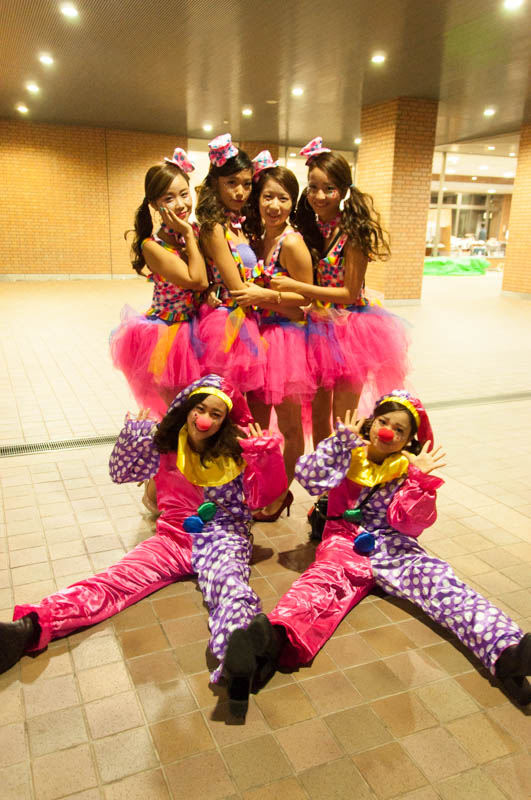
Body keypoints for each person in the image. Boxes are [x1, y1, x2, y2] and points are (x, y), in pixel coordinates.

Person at [0, 375, 287, 719]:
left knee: (231, 589)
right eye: (200, 409)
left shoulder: (235, 452)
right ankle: (32, 626)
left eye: (216, 414)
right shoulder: (167, 444)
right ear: (188, 408)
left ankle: (239, 660)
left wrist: (266, 458)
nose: (204, 420)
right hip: (173, 539)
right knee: (115, 579)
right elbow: (121, 473)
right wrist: (131, 440)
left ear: (225, 421)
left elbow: (263, 499)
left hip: (221, 538)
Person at [225, 390, 531, 707]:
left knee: (441, 582)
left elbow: (408, 524)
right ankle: (268, 644)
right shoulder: (349, 452)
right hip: (344, 539)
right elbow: (310, 479)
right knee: (319, 586)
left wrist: (419, 482)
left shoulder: (408, 468)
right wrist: (336, 446)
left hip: (394, 545)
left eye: (399, 430)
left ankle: (507, 650)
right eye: (384, 422)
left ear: (409, 439)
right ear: (372, 422)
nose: (387, 432)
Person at [272, 137, 410, 446]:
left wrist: (297, 287)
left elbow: (349, 293)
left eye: (329, 188)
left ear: (344, 190)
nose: (319, 196)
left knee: (344, 420)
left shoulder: (353, 232)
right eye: (313, 187)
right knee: (318, 415)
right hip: (316, 328)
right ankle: (324, 474)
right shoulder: (309, 229)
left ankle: (345, 473)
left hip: (351, 331)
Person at [231, 153, 315, 521]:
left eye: (283, 198)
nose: (274, 205)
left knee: (291, 427)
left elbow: (307, 300)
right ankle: (257, 488)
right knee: (254, 425)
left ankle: (281, 494)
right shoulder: (258, 238)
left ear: (293, 201)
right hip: (256, 340)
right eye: (268, 196)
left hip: (286, 344)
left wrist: (266, 296)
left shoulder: (291, 243)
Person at [110, 148, 208, 420]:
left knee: (202, 410)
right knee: (177, 414)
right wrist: (188, 233)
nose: (181, 204)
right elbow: (198, 280)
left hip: (199, 326)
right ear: (155, 204)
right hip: (168, 335)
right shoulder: (152, 246)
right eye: (169, 198)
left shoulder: (197, 233)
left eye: (184, 194)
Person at [195, 134, 267, 393]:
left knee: (239, 399)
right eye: (231, 183)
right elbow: (238, 288)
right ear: (215, 183)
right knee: (224, 398)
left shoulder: (239, 224)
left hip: (246, 317)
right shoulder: (214, 228)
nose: (240, 192)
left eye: (247, 184)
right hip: (226, 322)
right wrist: (281, 297)